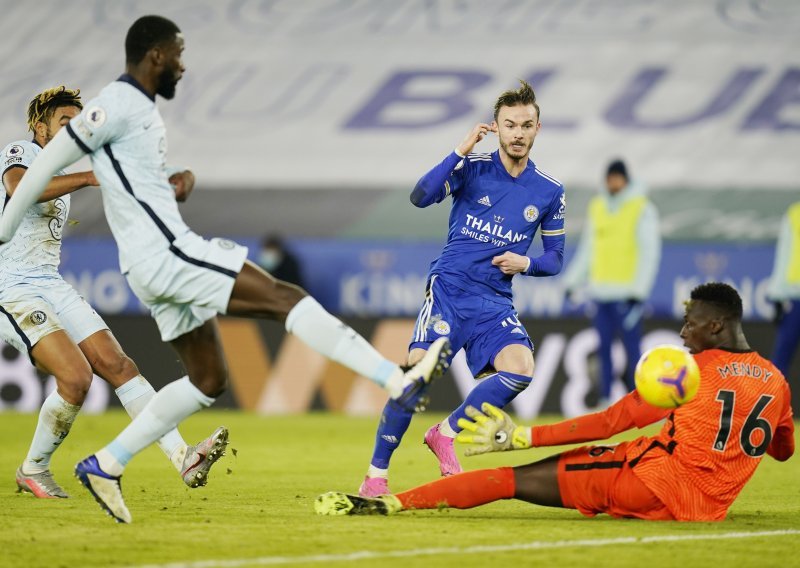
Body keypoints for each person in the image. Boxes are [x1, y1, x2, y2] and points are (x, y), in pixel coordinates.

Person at [0, 15, 451, 523]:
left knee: (206, 380)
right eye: (177, 54)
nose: (183, 64)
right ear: (154, 57)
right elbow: (27, 179)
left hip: (131, 270)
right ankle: (396, 380)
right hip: (157, 256)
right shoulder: (111, 108)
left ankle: (108, 463)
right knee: (284, 297)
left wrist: (168, 186)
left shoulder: (130, 116)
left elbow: (110, 184)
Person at [317, 282, 795, 521]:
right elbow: (781, 449)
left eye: (691, 323)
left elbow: (612, 421)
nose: (684, 332)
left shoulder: (691, 375)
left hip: (650, 485)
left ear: (715, 326)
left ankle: (389, 505)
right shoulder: (776, 382)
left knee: (508, 479)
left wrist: (520, 437)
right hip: (708, 506)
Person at [0, 87, 227, 498]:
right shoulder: (20, 151)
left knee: (119, 365)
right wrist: (89, 177)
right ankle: (33, 469)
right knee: (76, 377)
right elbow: (18, 189)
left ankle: (184, 458)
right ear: (40, 127)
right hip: (11, 286)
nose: (74, 131)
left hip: (49, 283)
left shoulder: (64, 169)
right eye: (65, 123)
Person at [359, 80, 566, 497]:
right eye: (510, 125)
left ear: (538, 128)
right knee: (415, 375)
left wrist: (525, 263)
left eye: (527, 125)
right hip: (450, 290)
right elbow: (420, 197)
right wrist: (460, 150)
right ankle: (375, 475)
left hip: (494, 301)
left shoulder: (550, 191)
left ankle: (446, 432)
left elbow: (556, 258)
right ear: (496, 127)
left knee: (520, 368)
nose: (519, 133)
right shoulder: (472, 169)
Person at [562, 159, 661, 407]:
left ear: (626, 179)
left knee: (632, 352)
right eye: (610, 178)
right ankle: (606, 400)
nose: (613, 182)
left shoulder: (642, 207)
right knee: (604, 351)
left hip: (627, 294)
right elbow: (588, 249)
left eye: (617, 178)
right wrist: (573, 281)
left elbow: (650, 252)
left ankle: (641, 402)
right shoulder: (598, 206)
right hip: (600, 293)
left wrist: (639, 291)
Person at [767, 201, 800, 378]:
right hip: (795, 297)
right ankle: (772, 403)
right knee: (780, 361)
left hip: (795, 298)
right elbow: (784, 255)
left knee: (781, 359)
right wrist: (777, 294)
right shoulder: (795, 214)